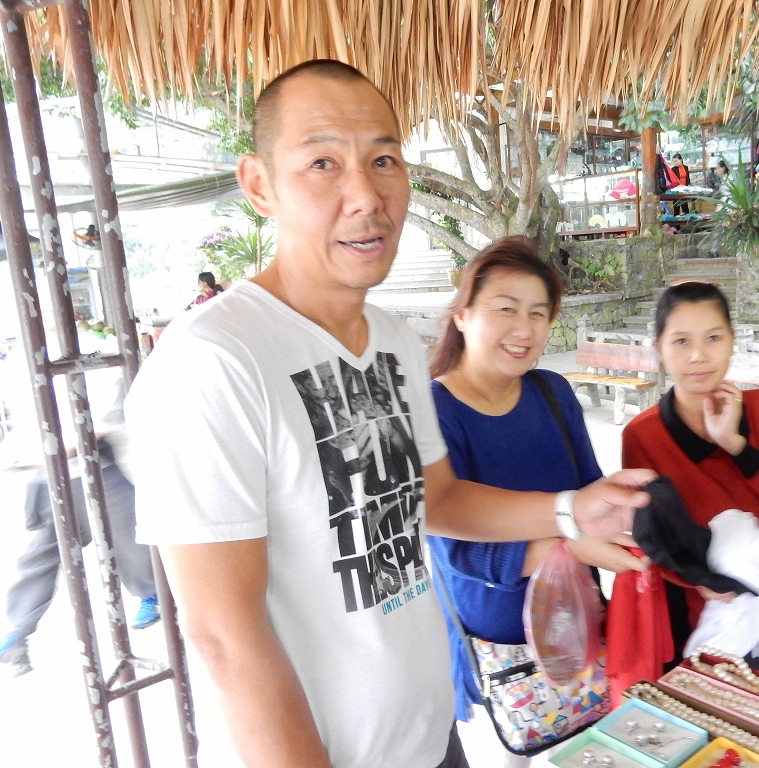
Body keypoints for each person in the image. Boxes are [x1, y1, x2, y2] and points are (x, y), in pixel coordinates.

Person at [124, 59, 652, 768]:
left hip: (433, 738)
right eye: (322, 163)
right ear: (259, 184)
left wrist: (572, 511)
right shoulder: (212, 362)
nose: (365, 196)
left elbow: (439, 499)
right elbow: (224, 637)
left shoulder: (394, 342)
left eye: (383, 160)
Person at [426, 236, 647, 766]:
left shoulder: (551, 391)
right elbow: (460, 552)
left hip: (575, 613)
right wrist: (572, 547)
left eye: (538, 313)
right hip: (500, 635)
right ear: (462, 315)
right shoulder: (433, 410)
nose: (524, 330)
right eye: (506, 310)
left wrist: (631, 518)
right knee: (520, 751)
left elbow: (587, 490)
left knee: (592, 746)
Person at [613, 281, 759, 674]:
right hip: (702, 624)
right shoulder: (643, 436)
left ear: (732, 341)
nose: (698, 355)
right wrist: (697, 581)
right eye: (681, 341)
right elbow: (653, 537)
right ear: (659, 348)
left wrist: (736, 446)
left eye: (713, 338)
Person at [0, 369, 159, 677]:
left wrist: (59, 449)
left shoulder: (89, 356)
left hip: (96, 469)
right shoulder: (19, 364)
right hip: (47, 477)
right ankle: (17, 631)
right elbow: (18, 421)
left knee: (130, 539)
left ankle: (151, 594)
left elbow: (106, 413)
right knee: (41, 555)